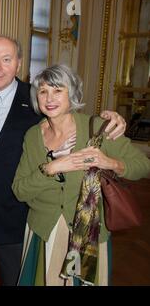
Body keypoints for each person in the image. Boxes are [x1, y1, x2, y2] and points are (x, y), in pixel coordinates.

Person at [0, 35, 127, 286]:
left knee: (19, 280)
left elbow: (69, 117)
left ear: (19, 63)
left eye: (6, 60)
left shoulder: (39, 99)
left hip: (17, 215)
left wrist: (111, 119)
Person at [12, 64, 150, 285]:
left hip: (89, 235)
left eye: (58, 90)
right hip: (44, 230)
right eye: (43, 91)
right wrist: (51, 168)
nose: (49, 98)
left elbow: (143, 165)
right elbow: (20, 190)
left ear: (72, 94)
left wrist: (110, 162)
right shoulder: (32, 136)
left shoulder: (98, 127)